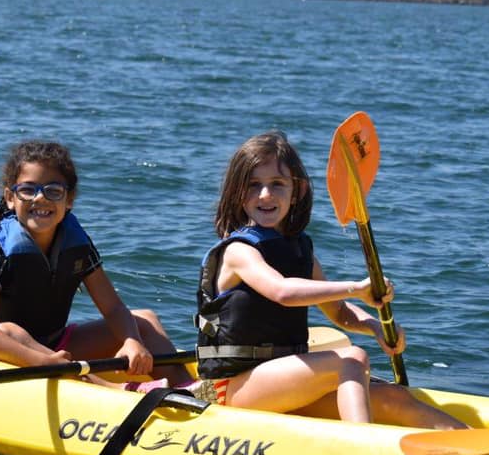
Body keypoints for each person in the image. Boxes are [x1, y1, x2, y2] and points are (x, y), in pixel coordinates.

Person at [193, 131, 465, 429]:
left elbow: (340, 312)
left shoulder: (299, 250)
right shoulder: (239, 252)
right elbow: (282, 291)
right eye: (254, 185)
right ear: (237, 193)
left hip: (285, 382)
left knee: (393, 397)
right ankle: (364, 448)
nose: (265, 194)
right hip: (235, 388)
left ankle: (473, 444)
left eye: (277, 184)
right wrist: (357, 288)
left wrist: (375, 326)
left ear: (296, 191)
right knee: (352, 359)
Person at [0, 140, 193, 393]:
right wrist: (43, 362)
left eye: (53, 191)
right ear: (10, 198)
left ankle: (189, 389)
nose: (40, 198)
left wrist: (131, 341)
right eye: (28, 190)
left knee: (144, 321)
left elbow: (112, 308)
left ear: (70, 200)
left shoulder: (75, 243)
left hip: (54, 343)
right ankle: (121, 391)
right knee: (10, 330)